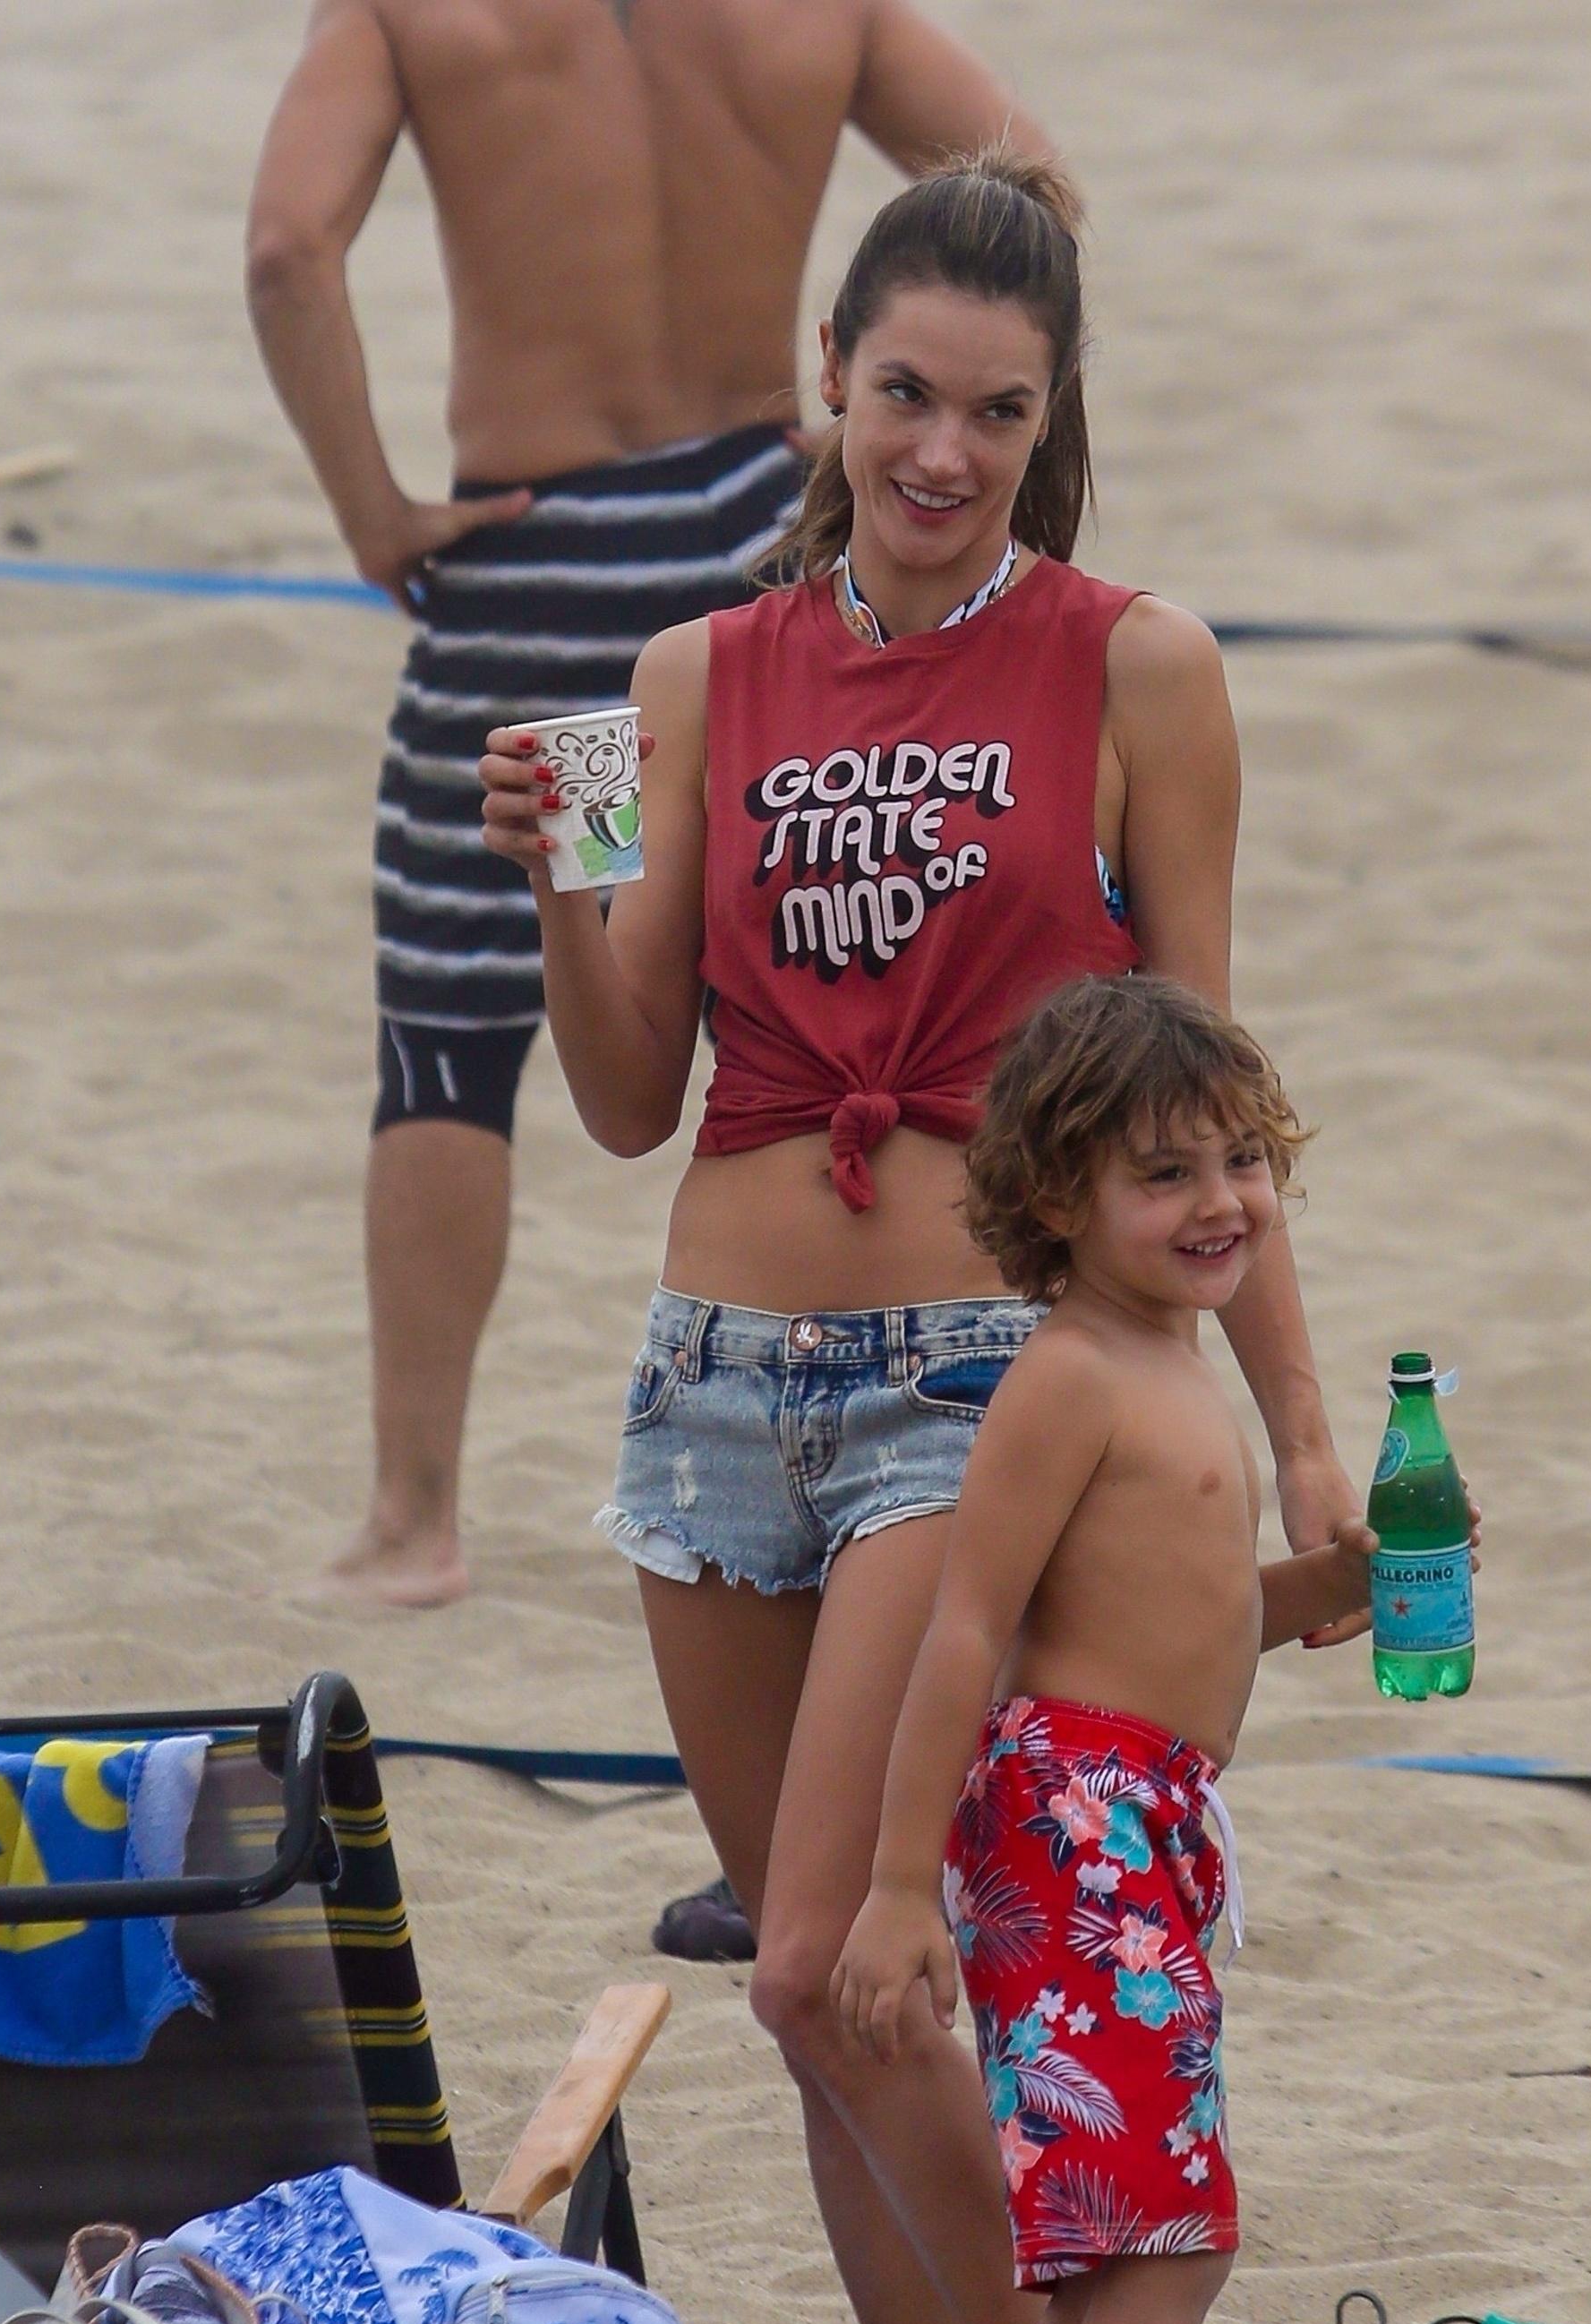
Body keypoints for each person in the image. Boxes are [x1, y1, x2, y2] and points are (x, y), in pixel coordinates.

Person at [478, 155, 1368, 2324]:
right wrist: (562, 874)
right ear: (832, 388)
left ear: (1049, 420)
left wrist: (1297, 1425)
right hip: (708, 1384)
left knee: (829, 1971)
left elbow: (1207, 1089)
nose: (941, 450)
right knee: (821, 2008)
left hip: (967, 1380)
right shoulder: (686, 681)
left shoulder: (1132, 666)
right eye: (903, 396)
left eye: (995, 411)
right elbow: (634, 1091)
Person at [244, 0, 1048, 1606]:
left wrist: (374, 510)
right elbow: (1021, 188)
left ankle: (416, 1519)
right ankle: (883, 1444)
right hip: (763, 549)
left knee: (458, 1027)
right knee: (819, 1003)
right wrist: (874, 420)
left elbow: (286, 249)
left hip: (550, 573)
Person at [833, 975, 1364, 2324]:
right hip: (1079, 1823)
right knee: (1156, 2245)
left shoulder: (1168, 1355)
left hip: (1133, 1817)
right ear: (1058, 1201)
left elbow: (1173, 1607)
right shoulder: (1068, 1374)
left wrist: (1307, 1600)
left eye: (1241, 1162)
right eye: (1166, 1175)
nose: (1221, 1201)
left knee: (1095, 2254)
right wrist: (898, 1887)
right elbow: (970, 1630)